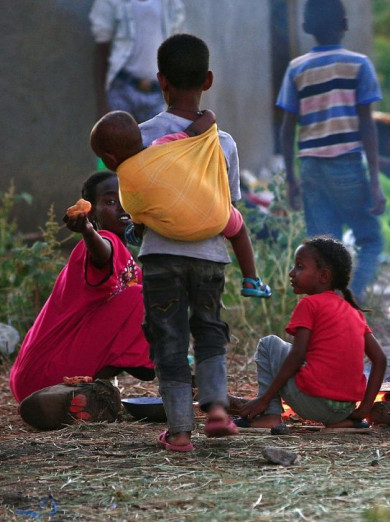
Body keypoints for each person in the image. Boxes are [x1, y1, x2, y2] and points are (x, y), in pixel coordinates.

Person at [136, 34, 241, 452]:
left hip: (160, 255)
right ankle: (216, 409)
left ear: (161, 81)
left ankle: (180, 432)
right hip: (209, 256)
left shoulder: (141, 138)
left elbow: (133, 201)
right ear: (209, 80)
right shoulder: (224, 143)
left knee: (169, 339)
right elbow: (228, 208)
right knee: (210, 330)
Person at [90, 109, 271, 298]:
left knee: (149, 216)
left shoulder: (126, 181)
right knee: (239, 229)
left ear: (110, 159)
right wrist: (209, 116)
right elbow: (194, 132)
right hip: (215, 217)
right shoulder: (162, 145)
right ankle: (251, 280)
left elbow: (136, 214)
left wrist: (136, 232)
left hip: (175, 233)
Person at [9, 171, 154, 403]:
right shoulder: (100, 243)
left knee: (156, 293)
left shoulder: (131, 268)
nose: (122, 207)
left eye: (126, 198)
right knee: (143, 297)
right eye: (110, 201)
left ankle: (89, 393)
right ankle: (84, 393)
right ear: (92, 213)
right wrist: (87, 231)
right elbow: (102, 254)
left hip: (35, 378)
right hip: (45, 374)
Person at [277, 0, 386, 301]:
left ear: (306, 28)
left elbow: (288, 130)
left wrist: (291, 179)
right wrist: (374, 182)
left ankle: (329, 313)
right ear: (345, 24)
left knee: (325, 250)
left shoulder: (296, 68)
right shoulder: (358, 65)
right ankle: (352, 298)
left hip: (310, 167)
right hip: (346, 165)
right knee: (371, 239)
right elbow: (367, 126)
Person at [233, 236, 387, 429]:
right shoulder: (353, 312)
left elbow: (297, 356)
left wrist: (264, 399)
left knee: (269, 344)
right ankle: (342, 422)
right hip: (345, 409)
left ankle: (269, 414)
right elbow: (380, 359)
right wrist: (364, 409)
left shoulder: (309, 304)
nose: (291, 273)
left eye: (299, 266)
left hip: (313, 403)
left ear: (323, 276)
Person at [90, 0, 185, 122]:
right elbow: (101, 49)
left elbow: (177, 50)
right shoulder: (111, 2)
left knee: (156, 140)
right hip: (122, 90)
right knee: (118, 139)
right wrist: (102, 103)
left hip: (157, 93)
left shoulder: (171, 3)